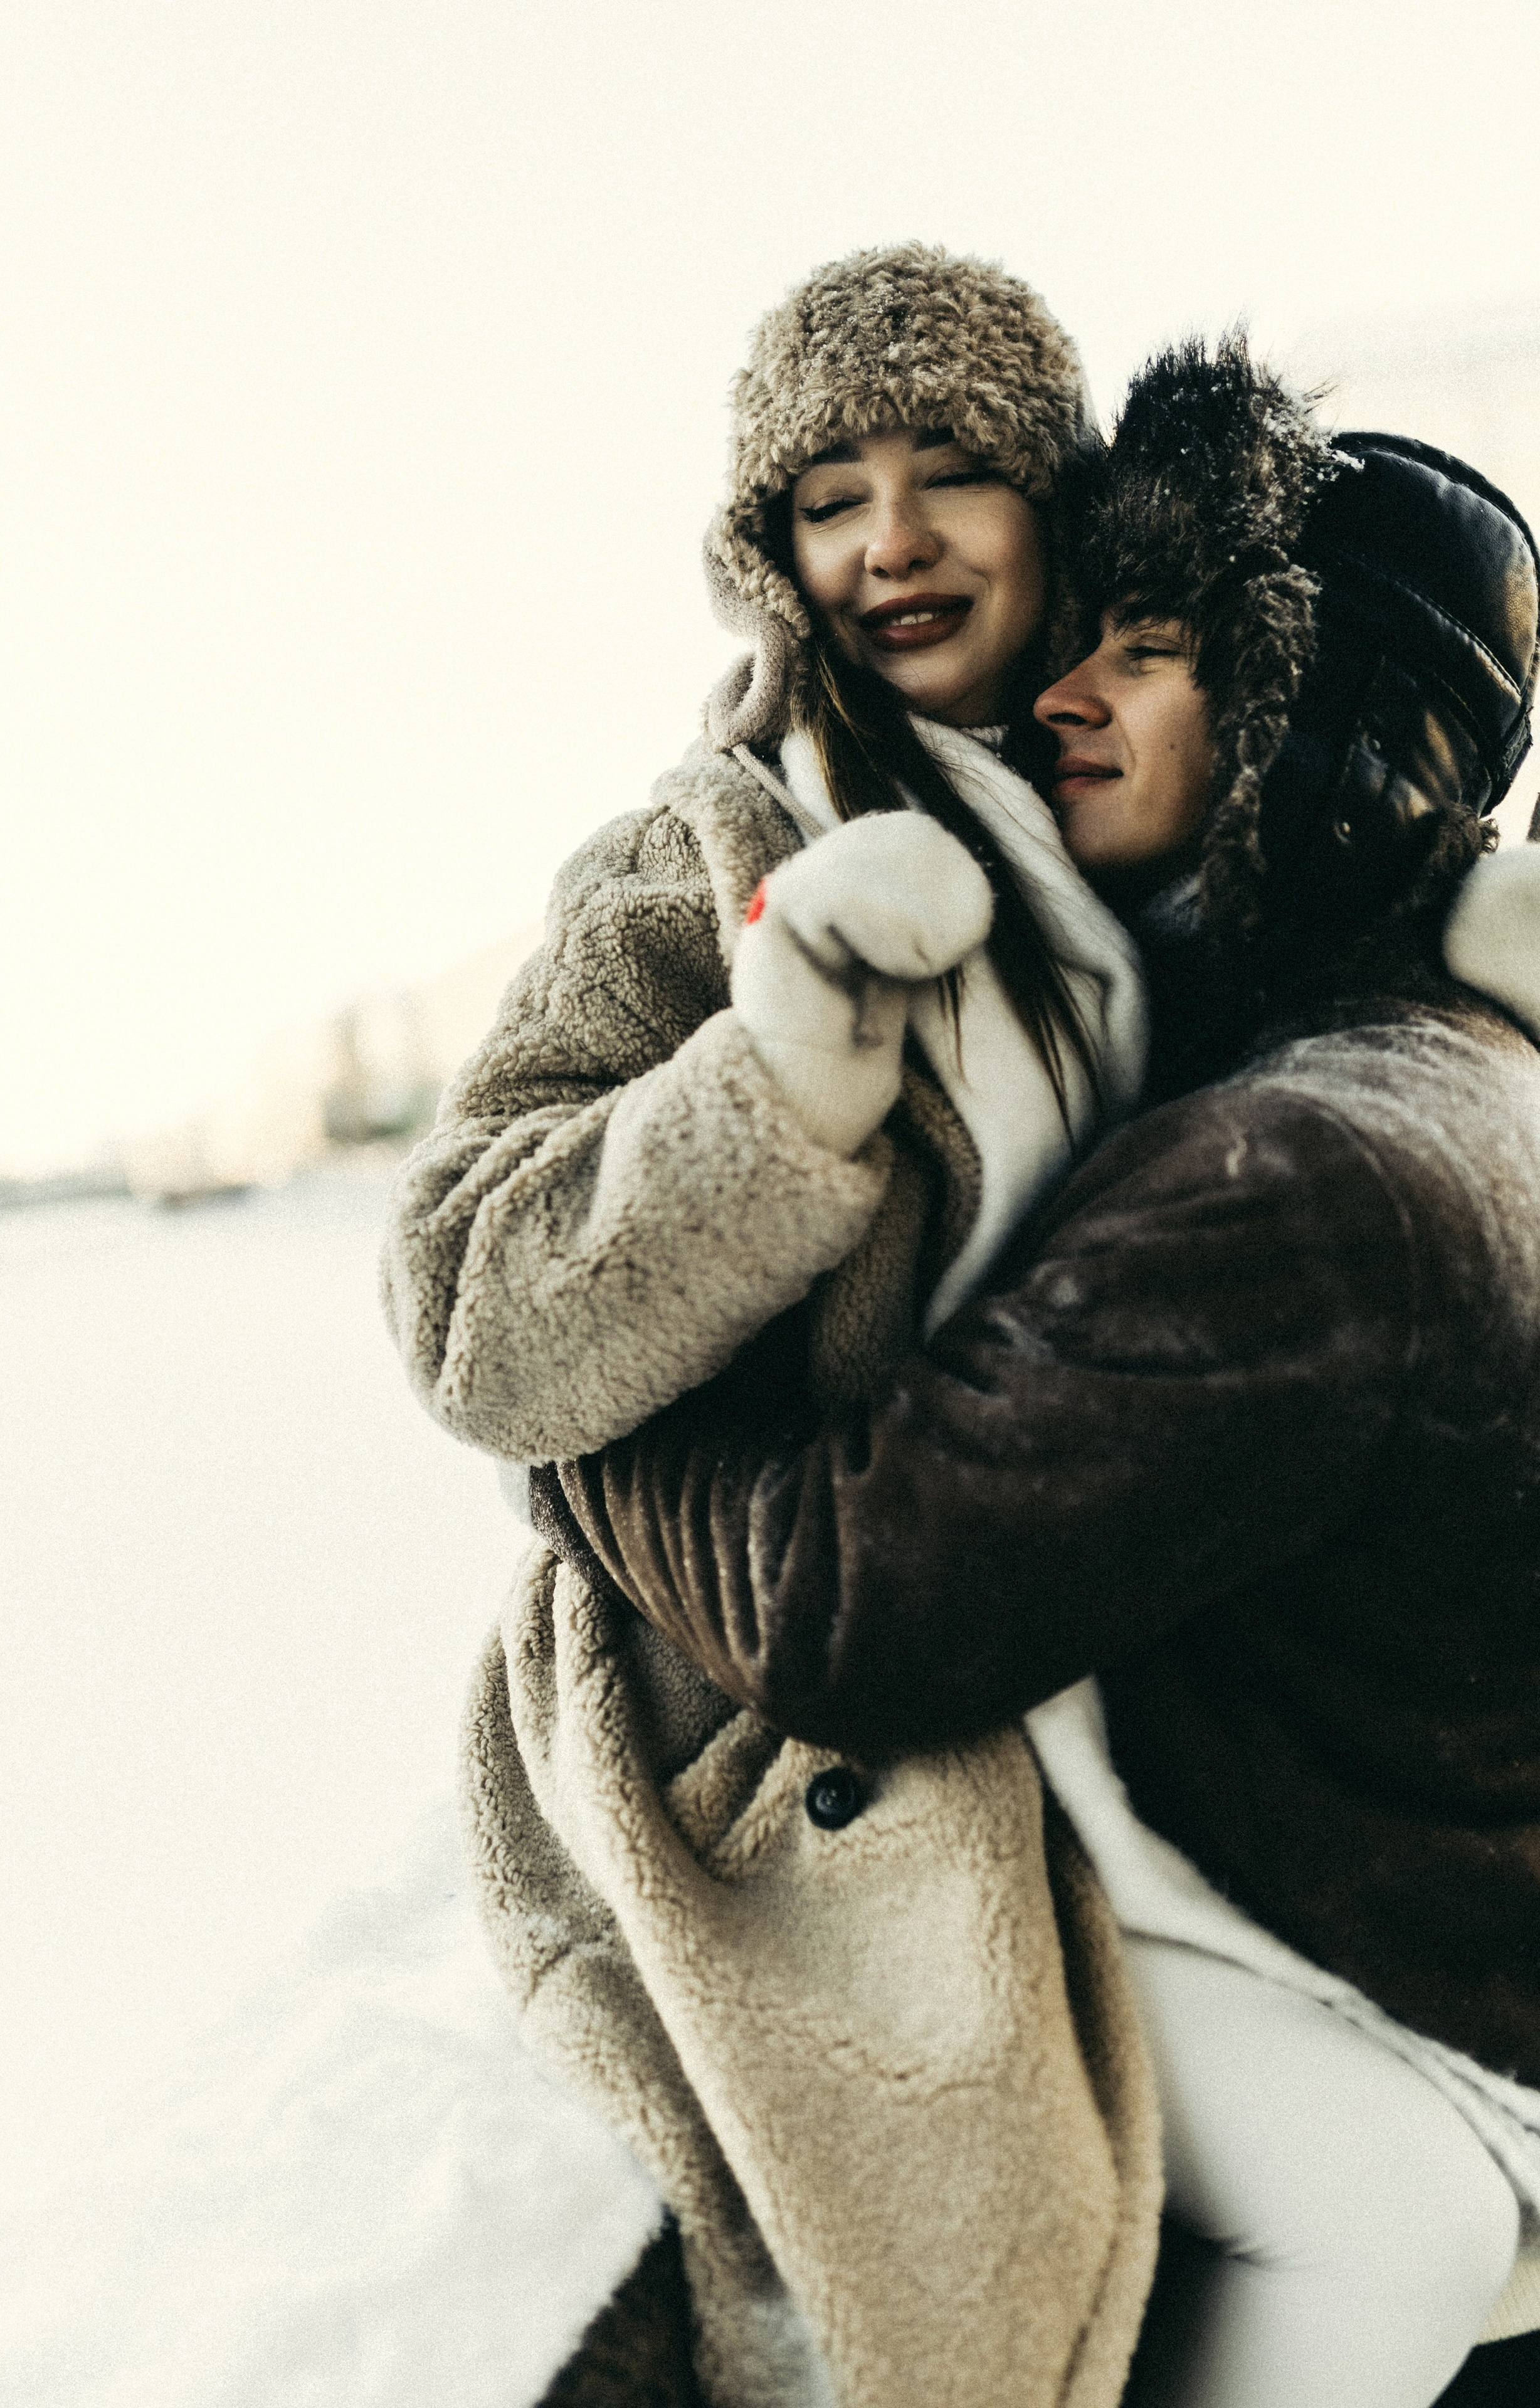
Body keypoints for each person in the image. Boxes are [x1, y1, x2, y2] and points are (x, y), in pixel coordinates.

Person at [547, 341, 1540, 2408]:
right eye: (1079, 638)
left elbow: (850, 1606)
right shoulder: (1443, 1046)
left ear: (1318, 727)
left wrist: (591, 1408)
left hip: (1400, 1999)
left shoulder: (1297, 1171)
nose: (1063, 695)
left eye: (1159, 652)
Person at [383, 245, 1166, 2408]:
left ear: (1059, 510)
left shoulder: (1129, 821)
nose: (891, 540)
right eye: (829, 493)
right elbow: (467, 1313)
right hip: (754, 1693)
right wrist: (779, 1078)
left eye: (951, 473)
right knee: (950, 2274)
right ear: (769, 552)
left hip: (1068, 1643)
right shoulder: (705, 848)